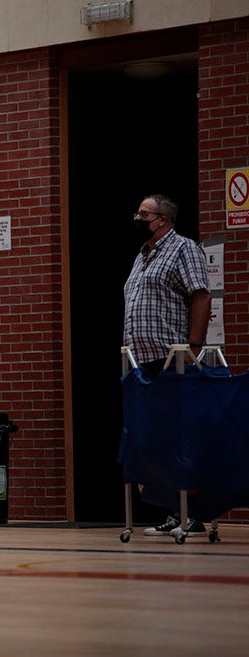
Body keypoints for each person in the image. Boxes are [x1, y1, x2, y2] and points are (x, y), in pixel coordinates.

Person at [122, 194, 211, 538]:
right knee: (155, 440)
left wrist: (194, 347)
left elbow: (201, 295)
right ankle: (175, 511)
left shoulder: (183, 248)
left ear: (161, 219)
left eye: (142, 213)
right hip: (140, 363)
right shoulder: (141, 256)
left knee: (181, 438)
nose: (137, 218)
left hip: (172, 357)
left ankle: (195, 513)